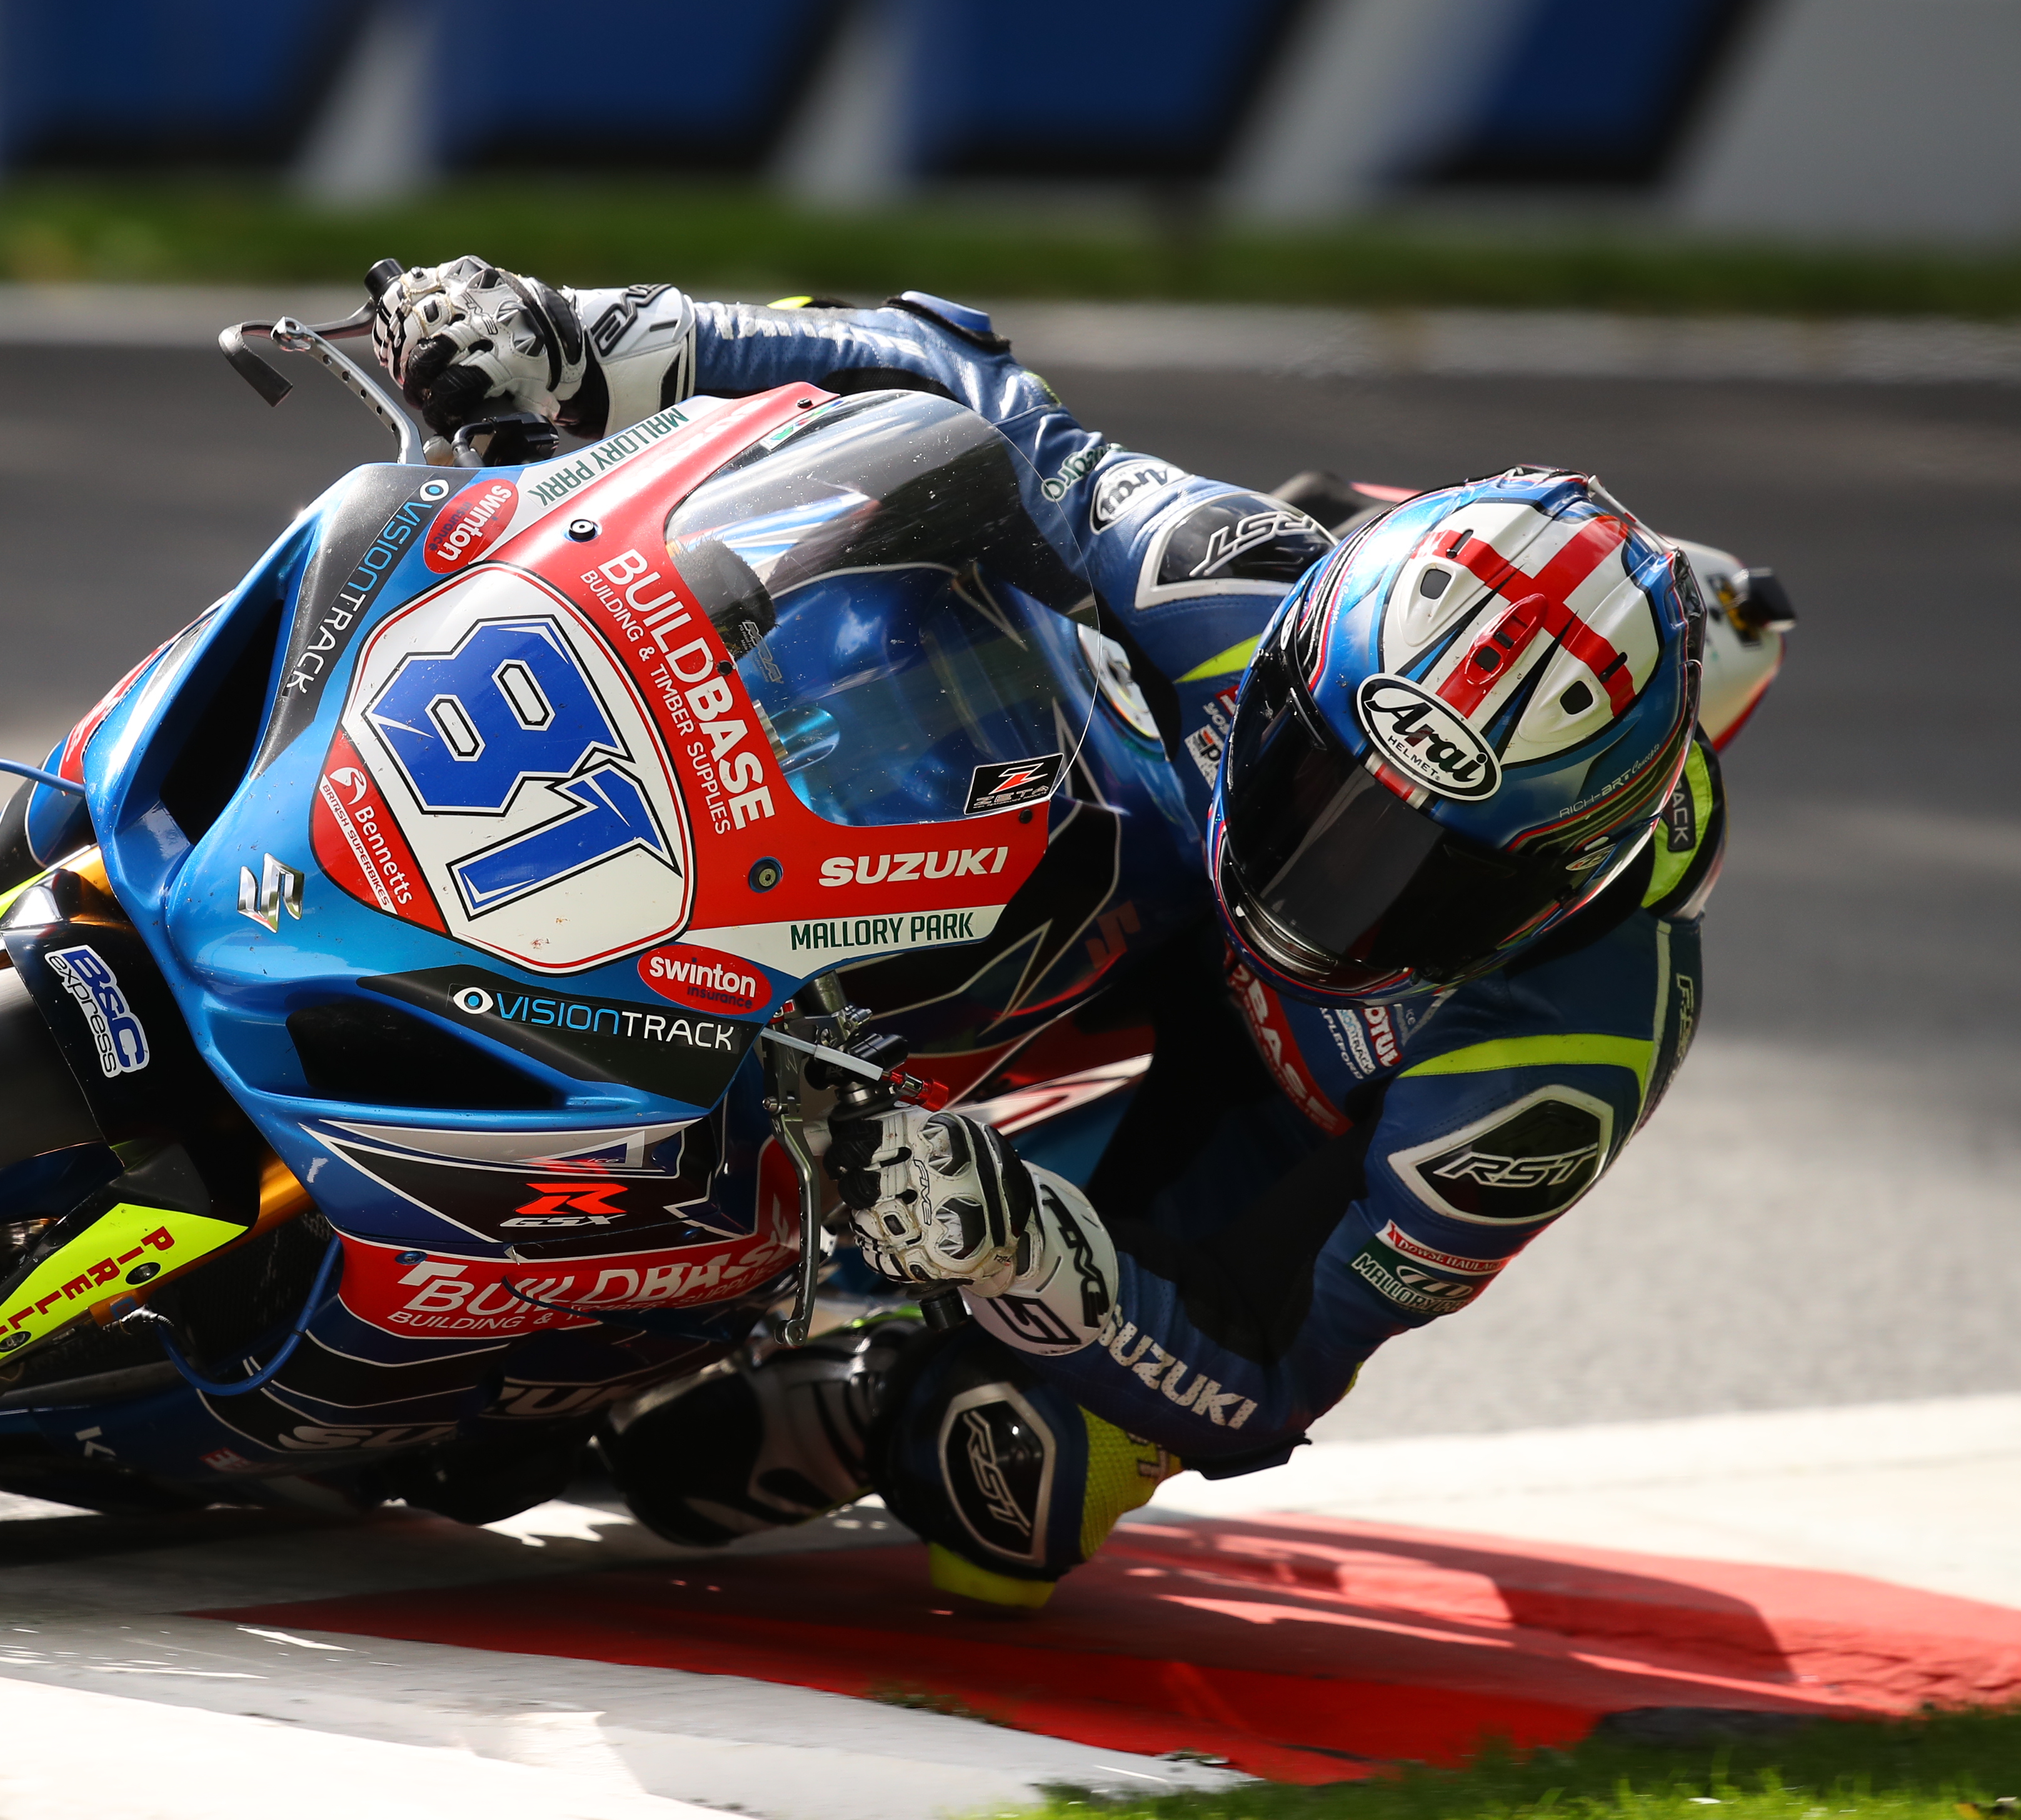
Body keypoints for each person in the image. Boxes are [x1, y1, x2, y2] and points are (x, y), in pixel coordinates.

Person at [366, 258, 1787, 1608]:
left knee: (1008, 1480)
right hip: (1151, 834)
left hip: (1277, 1107)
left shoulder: (1558, 1062)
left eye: (1428, 880)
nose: (1330, 881)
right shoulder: (1235, 584)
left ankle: (868, 1384)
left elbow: (1279, 1374)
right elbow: (950, 379)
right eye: (1319, 789)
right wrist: (589, 335)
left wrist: (1020, 1251)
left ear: (1560, 881)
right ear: (1292, 662)